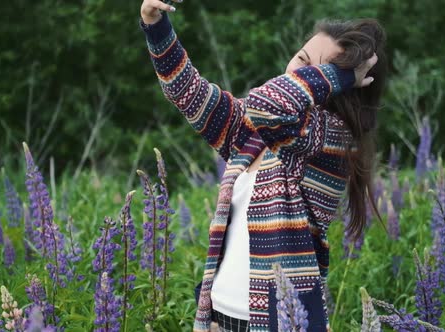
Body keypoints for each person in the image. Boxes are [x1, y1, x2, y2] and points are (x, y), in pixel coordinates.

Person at [139, 0, 387, 331]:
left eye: (316, 70)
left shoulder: (327, 139)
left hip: (276, 324)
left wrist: (342, 73)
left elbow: (268, 104)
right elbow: (188, 93)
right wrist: (155, 24)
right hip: (219, 319)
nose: (299, 72)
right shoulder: (253, 136)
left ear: (337, 85)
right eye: (301, 59)